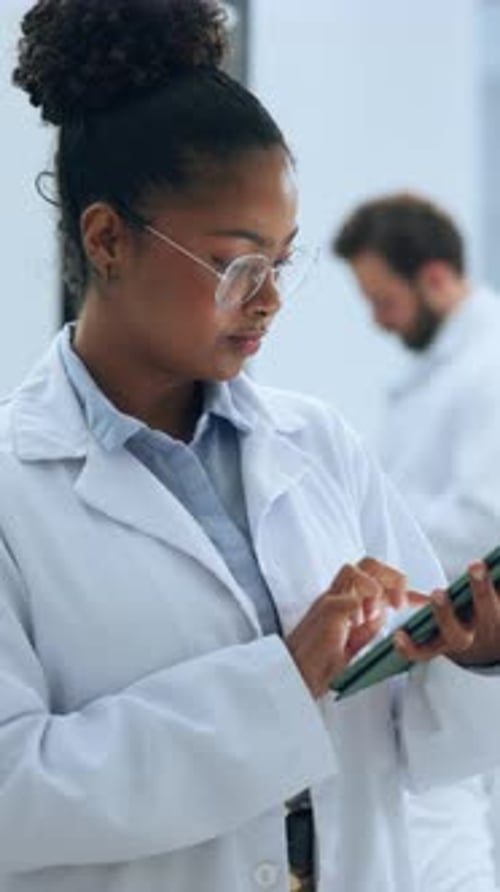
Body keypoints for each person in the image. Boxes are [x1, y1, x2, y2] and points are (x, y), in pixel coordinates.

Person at [3, 4, 500, 892]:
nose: (269, 300)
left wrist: (472, 658)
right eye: (237, 265)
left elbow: (421, 759)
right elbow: (14, 794)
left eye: (282, 262)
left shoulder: (319, 445)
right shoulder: (15, 486)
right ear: (107, 239)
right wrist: (279, 682)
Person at [332, 192, 500, 890]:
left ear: (434, 278)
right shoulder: (433, 373)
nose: (377, 319)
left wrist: (363, 530)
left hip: (464, 658)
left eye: (384, 300)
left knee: (454, 848)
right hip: (425, 669)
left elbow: (486, 521)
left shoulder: (489, 368)